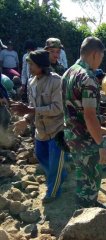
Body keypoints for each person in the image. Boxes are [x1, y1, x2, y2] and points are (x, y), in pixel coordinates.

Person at [11, 50, 67, 203]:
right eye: (29, 64)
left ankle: (53, 192)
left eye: (32, 64)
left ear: (42, 65)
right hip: (40, 131)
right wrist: (25, 119)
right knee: (41, 157)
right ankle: (61, 176)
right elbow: (31, 106)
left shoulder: (56, 81)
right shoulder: (31, 81)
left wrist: (30, 110)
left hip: (57, 130)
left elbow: (58, 108)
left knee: (55, 165)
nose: (29, 67)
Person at [62, 36, 106, 209]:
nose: (100, 62)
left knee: (82, 172)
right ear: (95, 54)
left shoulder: (68, 72)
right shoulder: (88, 78)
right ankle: (89, 213)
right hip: (85, 138)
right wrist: (101, 144)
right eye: (101, 57)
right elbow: (90, 116)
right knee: (91, 174)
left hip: (70, 134)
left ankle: (84, 204)